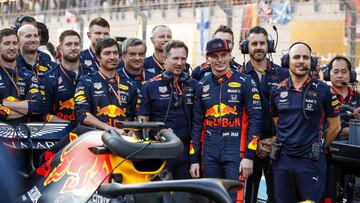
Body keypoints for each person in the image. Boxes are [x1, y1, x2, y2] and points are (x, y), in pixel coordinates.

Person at [189, 38, 262, 202]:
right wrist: (194, 159)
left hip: (236, 150)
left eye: (223, 54)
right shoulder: (202, 85)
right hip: (209, 151)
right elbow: (197, 124)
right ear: (207, 58)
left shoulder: (246, 82)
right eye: (214, 56)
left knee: (235, 198)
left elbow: (256, 120)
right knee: (213, 197)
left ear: (230, 55)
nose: (219, 60)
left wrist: (249, 155)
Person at [270, 42, 341, 203]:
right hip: (282, 161)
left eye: (305, 57)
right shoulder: (277, 90)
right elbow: (278, 123)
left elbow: (335, 127)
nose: (301, 61)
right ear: (288, 60)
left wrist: (319, 145)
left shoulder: (324, 90)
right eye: (296, 57)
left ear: (312, 62)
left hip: (311, 161)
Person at [242, 26, 289, 203]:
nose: (259, 47)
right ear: (246, 47)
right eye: (254, 43)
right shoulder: (238, 76)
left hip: (277, 146)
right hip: (248, 149)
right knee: (248, 198)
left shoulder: (284, 75)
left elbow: (289, 113)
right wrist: (255, 143)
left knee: (278, 197)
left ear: (269, 45)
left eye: (262, 43)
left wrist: (275, 139)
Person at [137, 40, 197, 179]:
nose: (180, 63)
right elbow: (142, 122)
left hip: (186, 151)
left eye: (183, 59)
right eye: (175, 58)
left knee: (183, 196)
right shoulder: (150, 86)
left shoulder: (194, 86)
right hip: (159, 150)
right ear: (165, 59)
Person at [75, 38, 137, 131]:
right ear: (98, 57)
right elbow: (82, 114)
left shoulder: (130, 83)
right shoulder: (86, 82)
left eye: (115, 53)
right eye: (107, 53)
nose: (112, 57)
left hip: (124, 140)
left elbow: (136, 115)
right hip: (95, 138)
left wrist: (132, 132)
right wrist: (109, 128)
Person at [323, 55, 360, 203]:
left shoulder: (358, 97)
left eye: (344, 72)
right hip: (330, 159)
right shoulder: (322, 96)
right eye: (336, 71)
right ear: (328, 74)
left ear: (351, 75)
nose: (340, 75)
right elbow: (325, 131)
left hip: (355, 160)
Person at [41, 30, 91, 124]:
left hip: (88, 132)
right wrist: (69, 126)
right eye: (68, 44)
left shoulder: (91, 74)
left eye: (76, 44)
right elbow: (45, 114)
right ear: (60, 48)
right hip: (61, 133)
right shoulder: (49, 78)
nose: (73, 48)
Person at [0, 28, 42, 126]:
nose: (12, 47)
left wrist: (4, 103)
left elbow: (37, 106)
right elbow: (31, 109)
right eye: (7, 43)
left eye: (15, 43)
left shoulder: (27, 74)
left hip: (24, 135)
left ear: (19, 45)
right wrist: (25, 111)